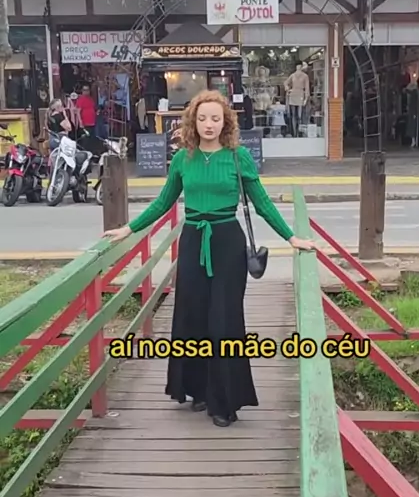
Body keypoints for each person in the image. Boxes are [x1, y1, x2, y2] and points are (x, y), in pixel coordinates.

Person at [103, 90, 315, 428]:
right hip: (192, 242)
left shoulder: (238, 157)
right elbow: (163, 203)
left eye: (215, 118)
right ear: (193, 122)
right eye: (202, 118)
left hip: (227, 242)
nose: (209, 124)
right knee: (192, 318)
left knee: (224, 321)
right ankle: (197, 389)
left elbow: (261, 202)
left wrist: (291, 238)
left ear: (225, 122)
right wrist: (128, 229)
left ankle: (224, 401)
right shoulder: (182, 159)